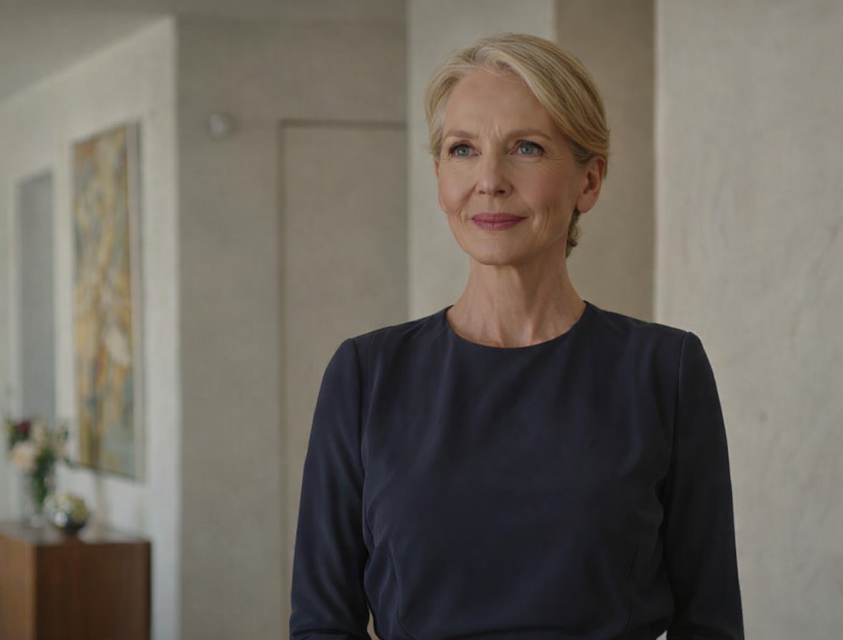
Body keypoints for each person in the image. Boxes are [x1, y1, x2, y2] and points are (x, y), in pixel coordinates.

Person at [290, 32, 744, 640]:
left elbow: (711, 623)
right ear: (439, 178)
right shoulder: (366, 374)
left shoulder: (667, 370)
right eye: (463, 150)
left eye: (525, 147)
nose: (490, 180)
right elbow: (323, 626)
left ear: (589, 181)